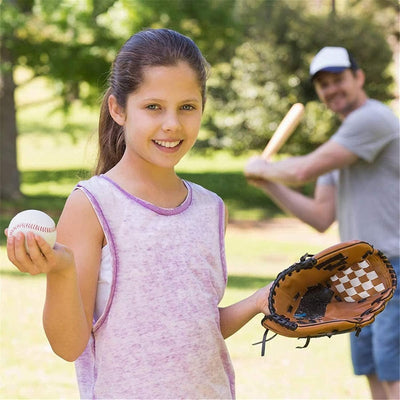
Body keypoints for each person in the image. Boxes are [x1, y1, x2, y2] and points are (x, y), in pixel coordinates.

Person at [6, 29, 272, 399]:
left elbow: (193, 329)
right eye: (153, 107)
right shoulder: (93, 204)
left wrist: (259, 300)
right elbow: (69, 346)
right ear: (118, 109)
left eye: (187, 107)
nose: (172, 125)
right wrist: (61, 271)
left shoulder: (211, 209)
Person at [245, 46, 400, 400]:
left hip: (395, 266)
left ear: (358, 78)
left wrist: (264, 168)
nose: (332, 89)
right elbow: (319, 216)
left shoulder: (372, 119)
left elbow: (302, 169)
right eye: (324, 84)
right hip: (358, 271)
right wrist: (268, 182)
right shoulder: (342, 143)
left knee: (394, 368)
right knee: (372, 367)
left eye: (339, 79)